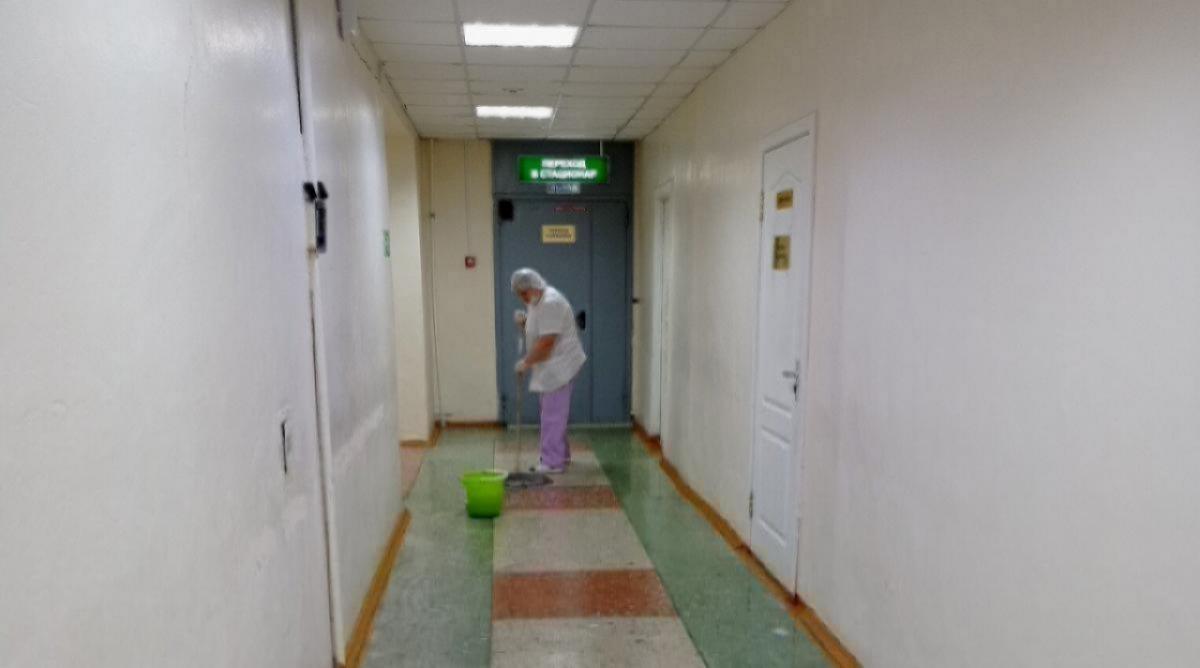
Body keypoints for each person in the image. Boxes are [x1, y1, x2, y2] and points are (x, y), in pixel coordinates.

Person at [511, 268, 587, 474]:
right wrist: (525, 322)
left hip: (560, 367)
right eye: (519, 295)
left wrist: (526, 363)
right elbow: (539, 330)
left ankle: (553, 462)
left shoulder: (551, 303)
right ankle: (562, 455)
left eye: (524, 293)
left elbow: (546, 343)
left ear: (534, 286)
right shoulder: (538, 301)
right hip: (552, 367)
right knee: (554, 413)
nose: (523, 298)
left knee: (552, 416)